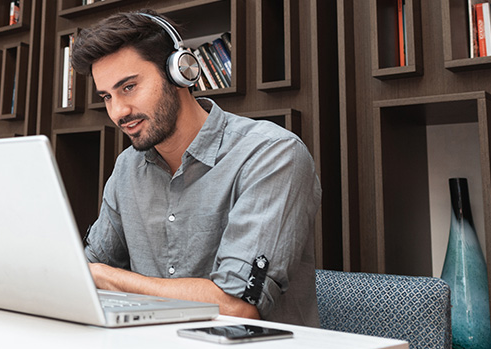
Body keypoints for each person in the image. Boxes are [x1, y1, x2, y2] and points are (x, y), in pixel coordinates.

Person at [71, 9, 322, 327]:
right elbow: (87, 270)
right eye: (107, 96)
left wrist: (106, 277)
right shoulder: (128, 168)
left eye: (129, 87)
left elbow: (237, 307)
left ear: (180, 72)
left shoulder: (271, 154)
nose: (118, 111)